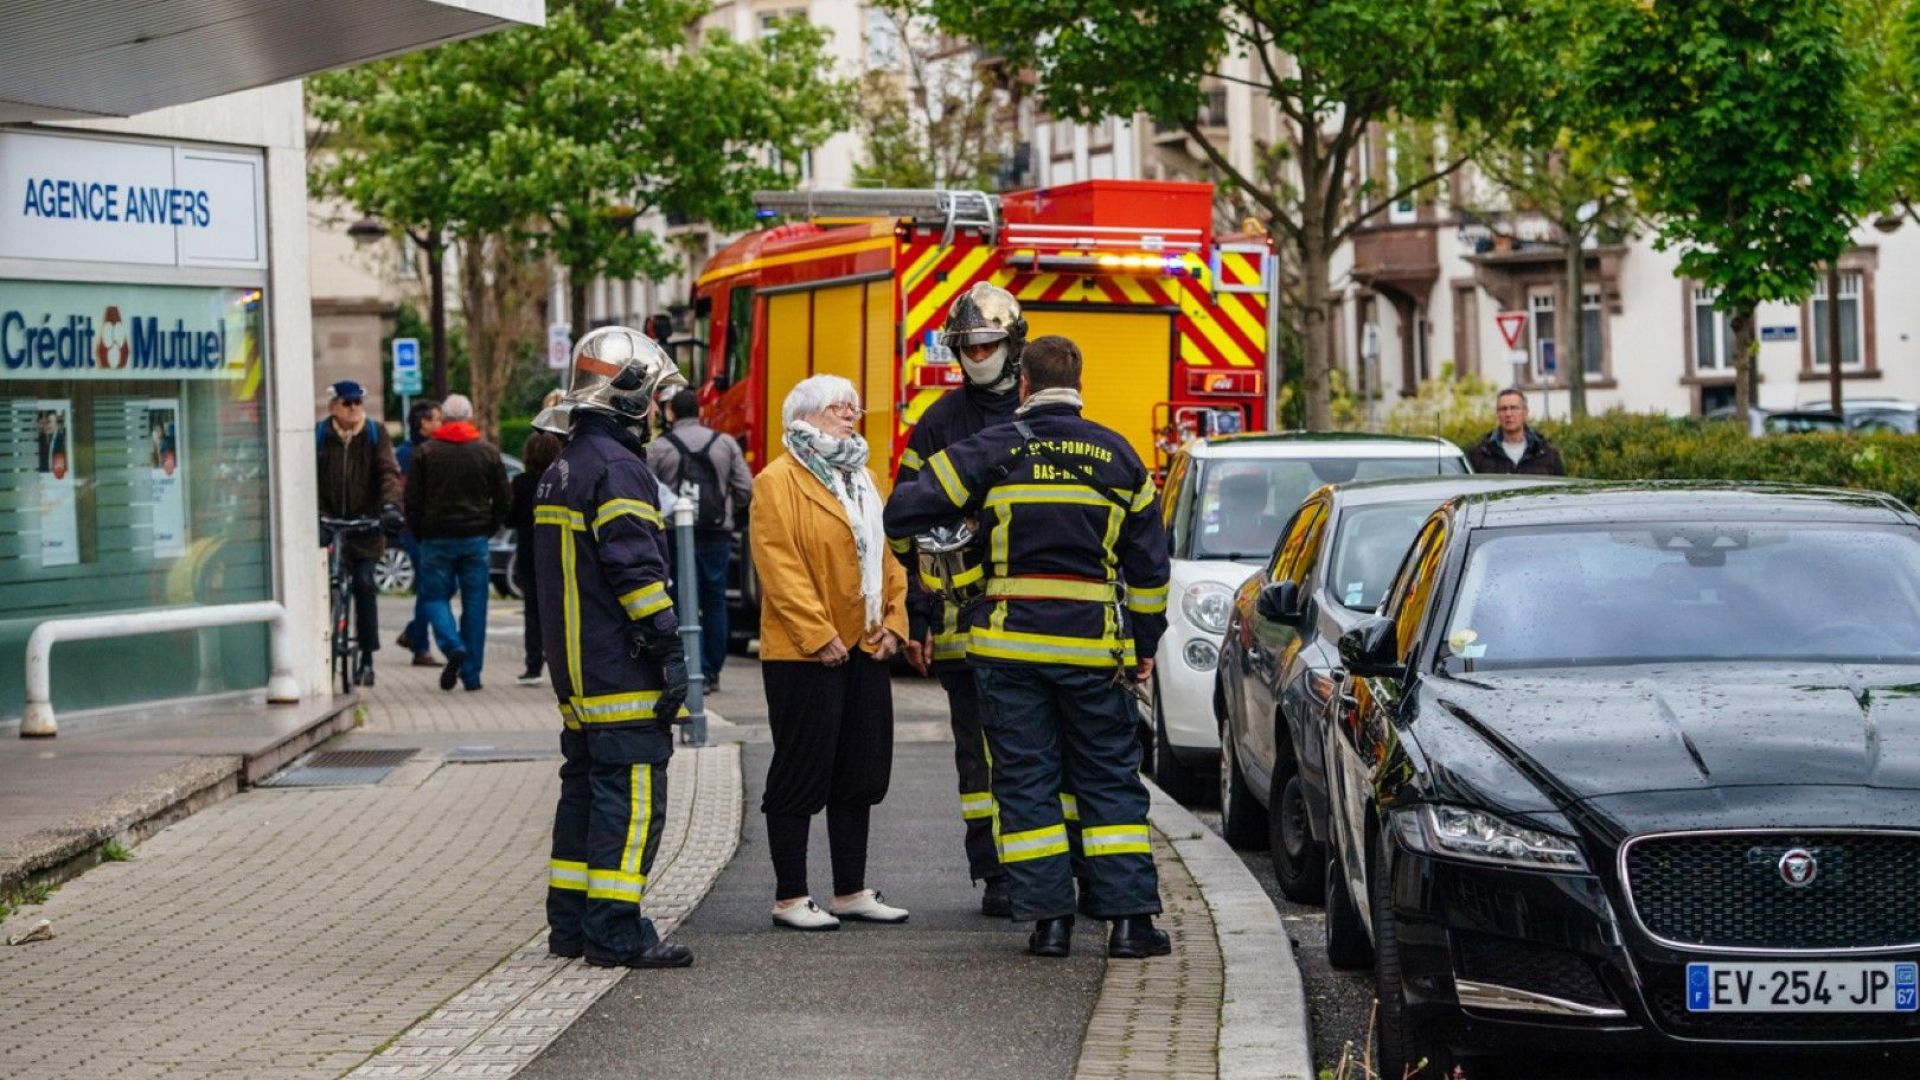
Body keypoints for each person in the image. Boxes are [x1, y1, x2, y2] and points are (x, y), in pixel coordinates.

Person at [884, 335, 1173, 960]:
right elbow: (1151, 571)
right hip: (1095, 655)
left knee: (1026, 780)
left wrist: (945, 578)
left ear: (1023, 384)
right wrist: (1145, 643)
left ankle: (1049, 925)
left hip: (1009, 651)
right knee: (1108, 782)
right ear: (1081, 383)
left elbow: (901, 512)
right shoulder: (1120, 457)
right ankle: (1129, 926)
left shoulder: (991, 449)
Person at [532, 326, 693, 969]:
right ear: (627, 395)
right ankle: (615, 931)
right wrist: (668, 649)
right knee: (630, 804)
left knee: (584, 797)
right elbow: (635, 570)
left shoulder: (563, 466)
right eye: (652, 396)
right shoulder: (620, 469)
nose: (656, 410)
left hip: (577, 673)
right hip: (619, 668)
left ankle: (570, 926)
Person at [751, 374, 910, 931]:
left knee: (860, 773)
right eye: (838, 407)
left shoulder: (864, 477)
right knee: (800, 770)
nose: (851, 414)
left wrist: (894, 620)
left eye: (853, 406)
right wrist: (818, 634)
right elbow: (779, 566)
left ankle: (850, 890)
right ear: (806, 416)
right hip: (804, 654)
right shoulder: (778, 481)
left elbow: (888, 557)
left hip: (865, 646)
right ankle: (790, 896)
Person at [888, 281, 1025, 917]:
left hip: (1033, 620)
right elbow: (903, 518)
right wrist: (914, 613)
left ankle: (1050, 868)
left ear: (1013, 343)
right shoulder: (939, 421)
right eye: (966, 346)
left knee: (1036, 750)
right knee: (978, 757)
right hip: (958, 622)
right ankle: (994, 872)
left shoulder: (1039, 411)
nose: (977, 355)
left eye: (987, 343)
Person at [646, 388, 752, 692]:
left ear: (670, 413)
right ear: (699, 411)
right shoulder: (725, 444)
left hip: (676, 535)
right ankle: (712, 672)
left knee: (680, 599)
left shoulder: (660, 448)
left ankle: (690, 666)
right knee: (714, 601)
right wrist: (729, 508)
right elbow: (745, 488)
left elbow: (647, 492)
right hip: (717, 533)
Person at [404, 393, 511, 692]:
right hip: (475, 538)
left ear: (445, 418)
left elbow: (411, 499)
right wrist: (489, 527)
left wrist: (419, 531)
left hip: (435, 537)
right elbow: (504, 498)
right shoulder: (487, 452)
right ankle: (472, 675)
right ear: (469, 417)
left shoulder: (425, 453)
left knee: (434, 597)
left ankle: (452, 646)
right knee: (476, 605)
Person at [315, 379, 403, 687]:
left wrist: (391, 507)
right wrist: (315, 515)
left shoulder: (375, 434)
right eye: (347, 403)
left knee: (365, 585)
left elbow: (388, 473)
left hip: (367, 525)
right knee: (325, 589)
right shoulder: (321, 434)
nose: (354, 409)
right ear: (334, 406)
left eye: (358, 403)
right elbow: (308, 476)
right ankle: (321, 652)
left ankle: (367, 657)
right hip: (330, 523)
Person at [508, 428, 564, 685]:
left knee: (532, 612)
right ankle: (562, 663)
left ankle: (533, 666)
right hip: (558, 550)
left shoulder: (521, 483)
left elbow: (510, 518)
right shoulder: (561, 480)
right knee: (561, 610)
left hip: (529, 553)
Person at [394, 397, 442, 668]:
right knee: (428, 586)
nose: (440, 423)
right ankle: (420, 646)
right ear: (423, 424)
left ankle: (414, 634)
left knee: (433, 587)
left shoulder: (434, 450)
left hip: (430, 530)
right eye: (436, 419)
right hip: (414, 530)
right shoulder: (407, 455)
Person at [1467, 388, 1566, 475]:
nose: (1508, 414)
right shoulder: (1479, 454)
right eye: (1503, 409)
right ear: (1497, 414)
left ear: (1525, 413)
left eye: (1514, 408)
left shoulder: (1547, 454)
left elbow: (1561, 493)